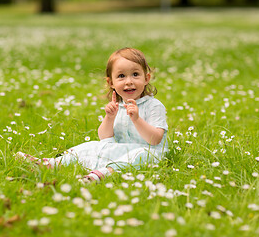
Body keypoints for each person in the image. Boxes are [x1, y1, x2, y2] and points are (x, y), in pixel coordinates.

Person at [16, 47, 168, 182]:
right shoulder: (118, 107)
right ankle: (51, 163)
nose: (129, 81)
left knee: (140, 155)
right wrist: (109, 118)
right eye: (121, 76)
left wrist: (137, 119)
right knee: (91, 146)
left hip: (149, 153)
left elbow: (155, 140)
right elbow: (105, 138)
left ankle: (104, 173)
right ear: (111, 82)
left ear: (146, 78)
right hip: (121, 150)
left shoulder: (153, 106)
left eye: (135, 74)